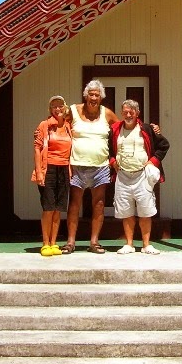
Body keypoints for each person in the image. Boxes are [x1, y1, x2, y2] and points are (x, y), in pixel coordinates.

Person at [63, 80, 119, 254]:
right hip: (77, 165)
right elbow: (57, 124)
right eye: (91, 94)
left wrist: (150, 129)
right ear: (85, 95)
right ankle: (70, 242)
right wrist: (42, 130)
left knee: (99, 204)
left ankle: (94, 242)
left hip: (100, 166)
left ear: (101, 97)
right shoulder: (72, 111)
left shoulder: (107, 114)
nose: (93, 97)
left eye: (97, 95)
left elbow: (122, 129)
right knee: (74, 204)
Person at [108, 99, 169, 255]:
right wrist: (113, 161)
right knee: (126, 212)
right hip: (122, 176)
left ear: (137, 113)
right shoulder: (115, 130)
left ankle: (146, 245)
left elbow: (164, 145)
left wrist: (152, 162)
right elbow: (108, 149)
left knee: (145, 211)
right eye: (125, 112)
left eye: (132, 112)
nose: (128, 114)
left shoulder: (147, 129)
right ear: (122, 113)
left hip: (142, 175)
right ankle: (129, 244)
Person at [32, 96, 72, 257]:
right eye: (54, 107)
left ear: (65, 108)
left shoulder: (69, 127)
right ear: (50, 110)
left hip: (64, 169)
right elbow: (37, 148)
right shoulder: (44, 125)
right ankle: (45, 243)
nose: (57, 109)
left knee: (58, 209)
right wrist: (39, 172)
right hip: (48, 168)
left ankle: (54, 242)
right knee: (48, 208)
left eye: (60, 106)